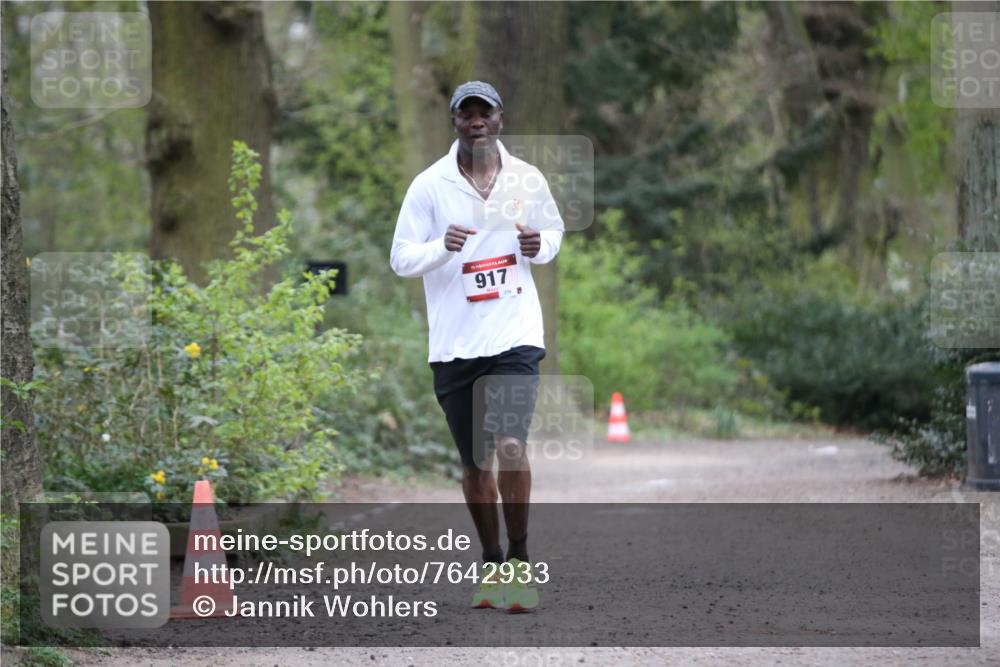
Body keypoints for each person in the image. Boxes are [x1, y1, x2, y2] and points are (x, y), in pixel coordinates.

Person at [389, 81, 564, 612]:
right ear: (455, 123)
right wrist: (442, 248)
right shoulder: (429, 187)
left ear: (500, 119)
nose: (476, 121)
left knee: (511, 444)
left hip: (513, 336)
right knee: (474, 465)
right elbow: (400, 258)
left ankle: (520, 560)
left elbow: (553, 235)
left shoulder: (527, 179)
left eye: (484, 112)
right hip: (455, 343)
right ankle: (490, 563)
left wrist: (541, 245)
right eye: (466, 114)